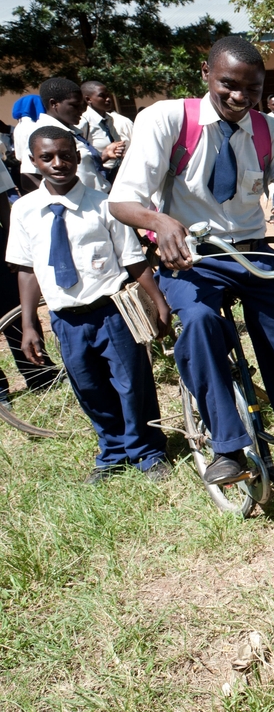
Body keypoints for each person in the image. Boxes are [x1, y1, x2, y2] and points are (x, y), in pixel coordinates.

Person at [109, 36, 274, 486]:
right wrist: (159, 221)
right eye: (228, 84)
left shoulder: (271, 131)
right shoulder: (168, 120)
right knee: (203, 325)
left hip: (249, 249)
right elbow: (122, 200)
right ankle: (228, 447)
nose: (239, 97)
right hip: (192, 255)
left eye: (251, 88)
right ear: (206, 75)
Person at [7, 127, 172, 483]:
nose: (58, 163)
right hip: (66, 319)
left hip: (111, 311)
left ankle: (147, 451)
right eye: (47, 157)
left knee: (132, 384)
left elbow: (133, 260)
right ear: (33, 161)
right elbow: (26, 270)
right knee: (90, 389)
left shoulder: (103, 204)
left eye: (65, 155)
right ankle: (113, 452)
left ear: (78, 157)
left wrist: (159, 302)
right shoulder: (24, 210)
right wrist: (30, 324)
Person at [19, 78, 117, 194]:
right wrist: (62, 201)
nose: (81, 111)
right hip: (79, 206)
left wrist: (103, 155)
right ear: (54, 104)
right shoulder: (42, 133)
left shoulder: (73, 131)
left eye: (82, 106)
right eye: (75, 106)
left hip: (96, 200)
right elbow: (28, 178)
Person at [80, 80, 133, 181]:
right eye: (102, 96)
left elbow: (115, 142)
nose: (108, 99)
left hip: (118, 171)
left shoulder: (109, 119)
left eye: (108, 95)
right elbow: (83, 156)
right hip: (100, 174)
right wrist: (104, 156)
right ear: (88, 99)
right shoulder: (84, 122)